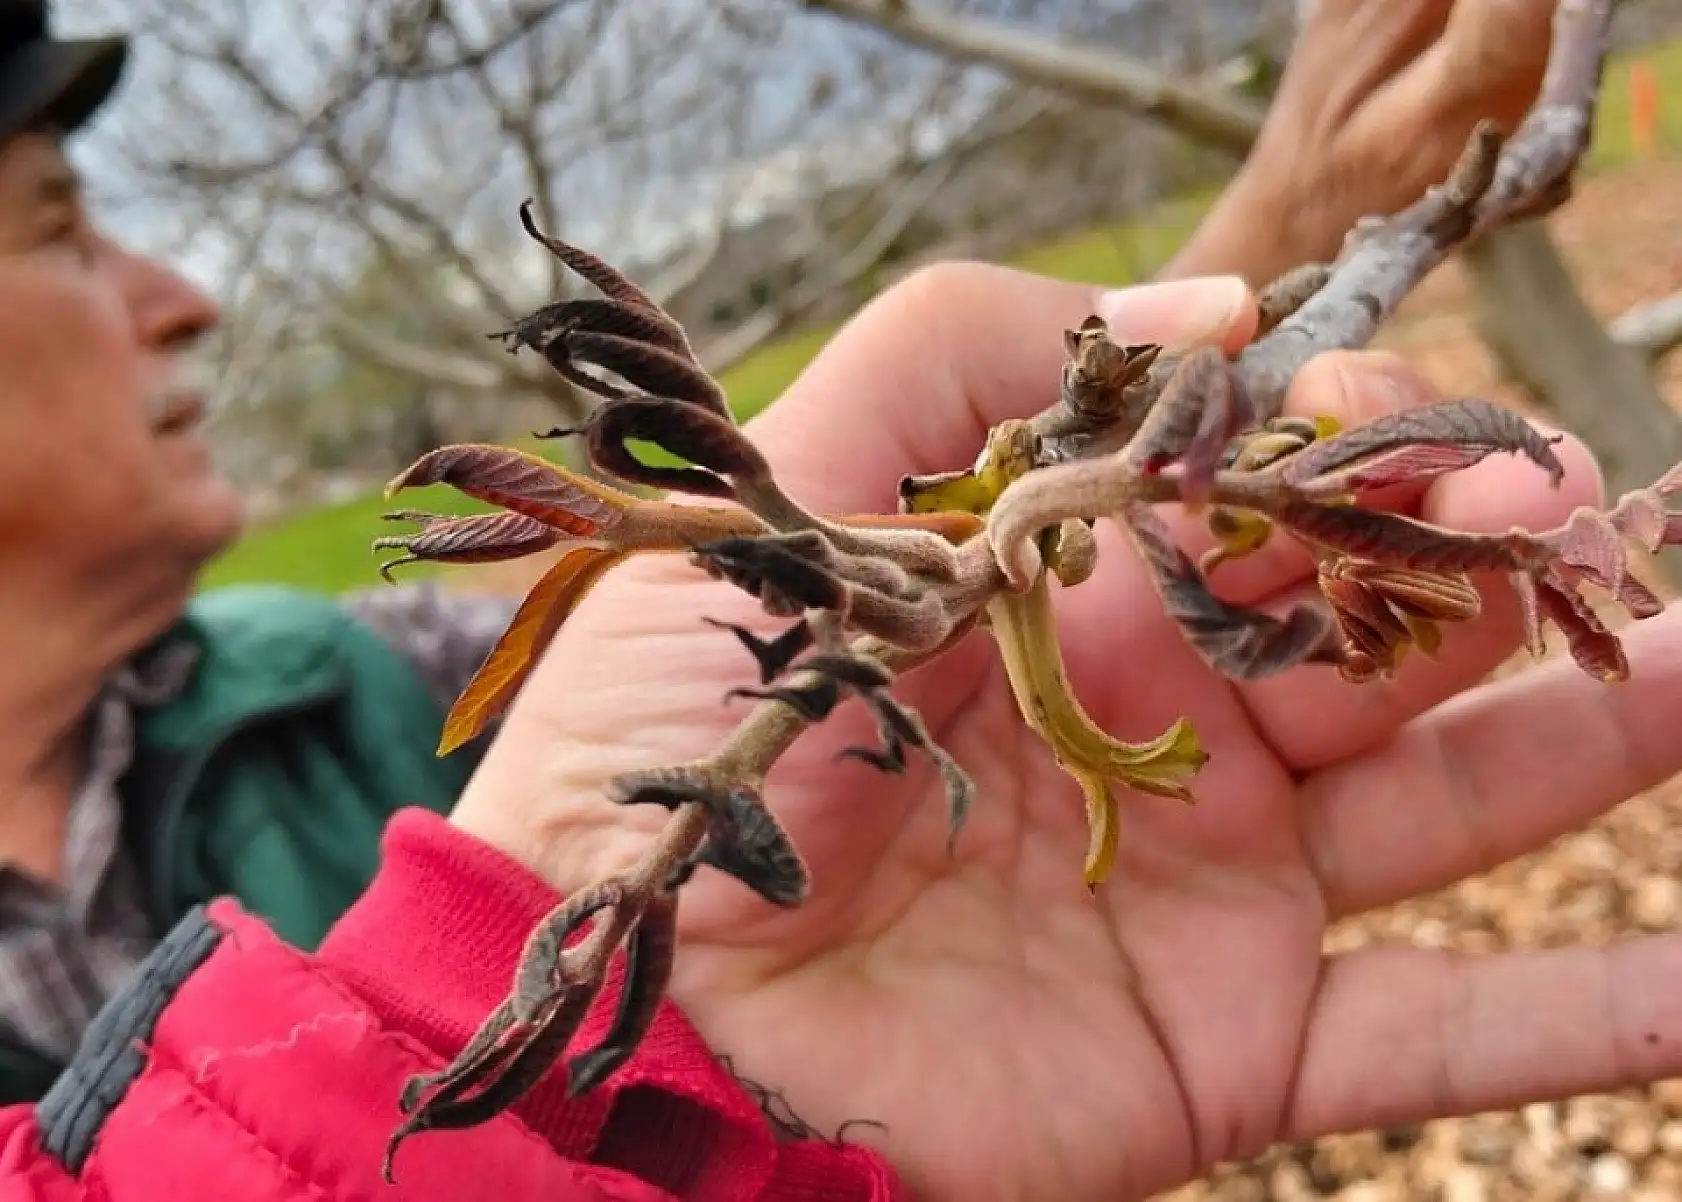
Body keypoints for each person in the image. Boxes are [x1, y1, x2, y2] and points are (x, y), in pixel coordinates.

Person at [3, 0, 1673, 1198]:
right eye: (61, 230)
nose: (180, 303)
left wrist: (1295, 219)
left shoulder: (331, 684)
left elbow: (962, 559)